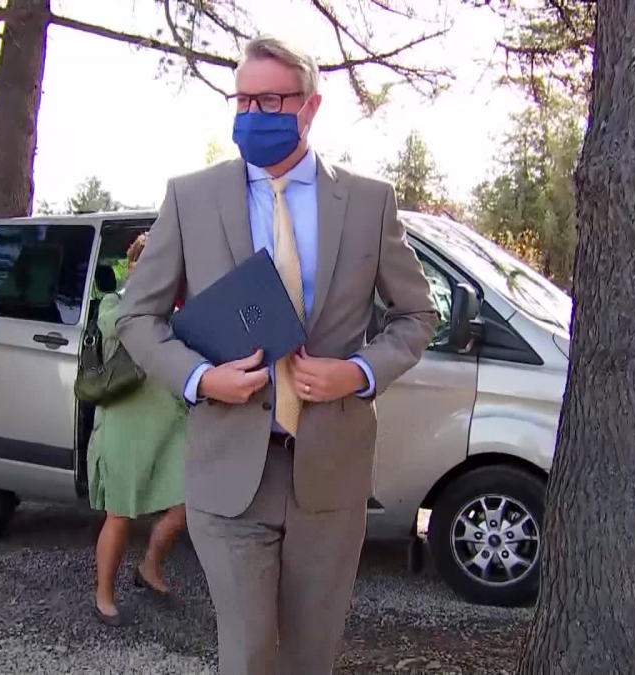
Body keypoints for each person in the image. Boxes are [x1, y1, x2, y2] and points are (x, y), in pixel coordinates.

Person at [116, 35, 438, 675]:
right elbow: (136, 317)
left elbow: (418, 315)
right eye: (242, 100)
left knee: (311, 655)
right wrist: (200, 379)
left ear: (310, 107)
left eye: (268, 101)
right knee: (247, 653)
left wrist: (358, 372)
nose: (251, 115)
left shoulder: (369, 202)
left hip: (330, 469)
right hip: (230, 469)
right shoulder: (191, 197)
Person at [87, 233, 188, 626]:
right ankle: (104, 595)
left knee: (189, 504)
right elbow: (118, 328)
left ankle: (149, 566)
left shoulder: (174, 310)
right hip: (126, 425)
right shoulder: (115, 304)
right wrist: (147, 293)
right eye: (148, 263)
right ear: (132, 266)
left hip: (170, 425)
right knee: (120, 513)